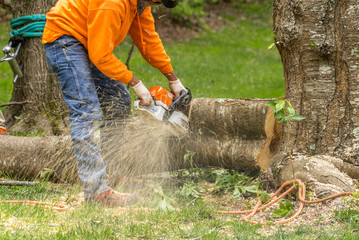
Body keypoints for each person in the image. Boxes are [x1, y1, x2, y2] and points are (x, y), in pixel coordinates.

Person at [42, 0, 187, 206]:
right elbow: (100, 55)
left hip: (88, 41)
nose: (154, 5)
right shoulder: (113, 3)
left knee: (118, 101)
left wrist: (172, 78)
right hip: (65, 40)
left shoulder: (140, 5)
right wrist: (135, 82)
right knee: (86, 111)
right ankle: (96, 192)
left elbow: (148, 40)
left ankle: (111, 173)